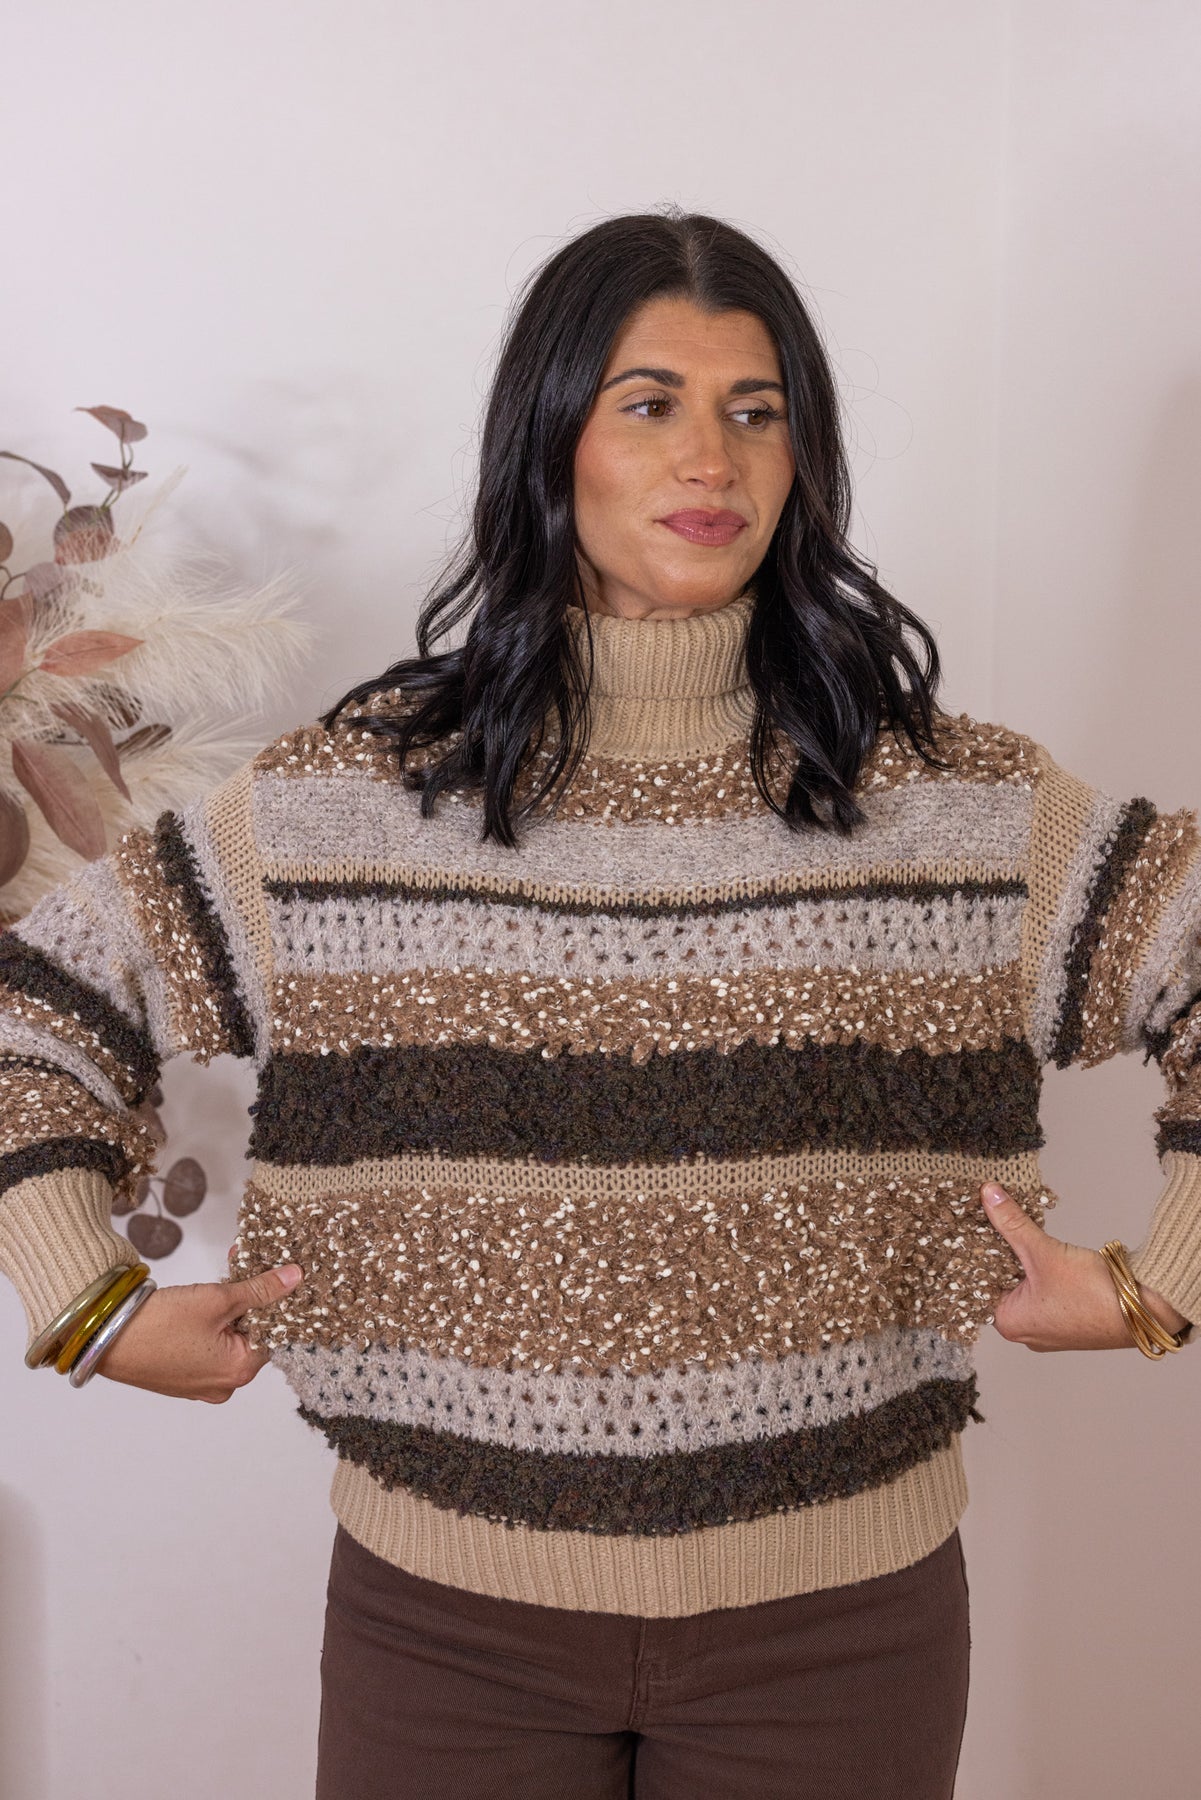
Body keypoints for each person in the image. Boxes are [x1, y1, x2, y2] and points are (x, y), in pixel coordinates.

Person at [1, 206, 1197, 1800]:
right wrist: (85, 1305)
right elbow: (38, 1005)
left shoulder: (953, 806)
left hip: (842, 1631)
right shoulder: (345, 808)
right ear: (550, 440)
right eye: (650, 404)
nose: (712, 458)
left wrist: (1158, 1284)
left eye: (755, 411)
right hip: (444, 1629)